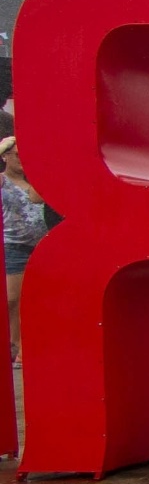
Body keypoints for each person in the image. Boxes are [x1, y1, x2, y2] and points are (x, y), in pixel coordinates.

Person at [1, 136, 47, 365]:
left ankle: (26, 344)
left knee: (33, 298)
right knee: (12, 298)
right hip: (13, 246)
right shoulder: (2, 181)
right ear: (5, 156)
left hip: (39, 246)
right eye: (17, 155)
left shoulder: (33, 182)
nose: (21, 160)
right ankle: (15, 345)